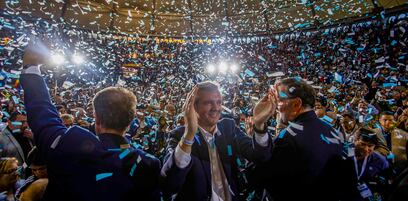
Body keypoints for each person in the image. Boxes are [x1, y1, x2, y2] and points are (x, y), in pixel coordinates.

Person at [20, 44, 161, 201]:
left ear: (97, 118)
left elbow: (42, 113)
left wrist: (32, 67)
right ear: (130, 121)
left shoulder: (67, 144)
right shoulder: (148, 164)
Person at [161, 81, 273, 201]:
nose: (216, 108)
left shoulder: (228, 127)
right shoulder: (179, 135)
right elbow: (169, 183)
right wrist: (189, 136)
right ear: (193, 106)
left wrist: (259, 124)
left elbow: (261, 156)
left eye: (219, 102)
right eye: (208, 103)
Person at [252, 77, 344, 201]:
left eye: (279, 100)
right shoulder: (334, 132)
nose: (277, 107)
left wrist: (258, 124)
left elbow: (262, 177)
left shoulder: (288, 137)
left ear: (296, 104)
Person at [341, 128, 389, 201]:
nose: (366, 149)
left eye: (370, 146)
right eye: (362, 144)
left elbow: (386, 184)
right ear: (355, 141)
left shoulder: (380, 161)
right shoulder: (342, 154)